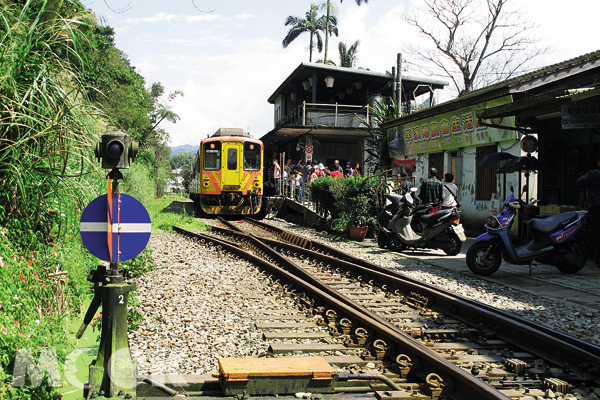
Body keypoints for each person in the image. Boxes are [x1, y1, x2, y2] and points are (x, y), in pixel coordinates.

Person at [577, 151, 600, 268]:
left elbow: (580, 181)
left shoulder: (593, 174)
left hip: (597, 207)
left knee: (597, 233)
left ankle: (599, 260)